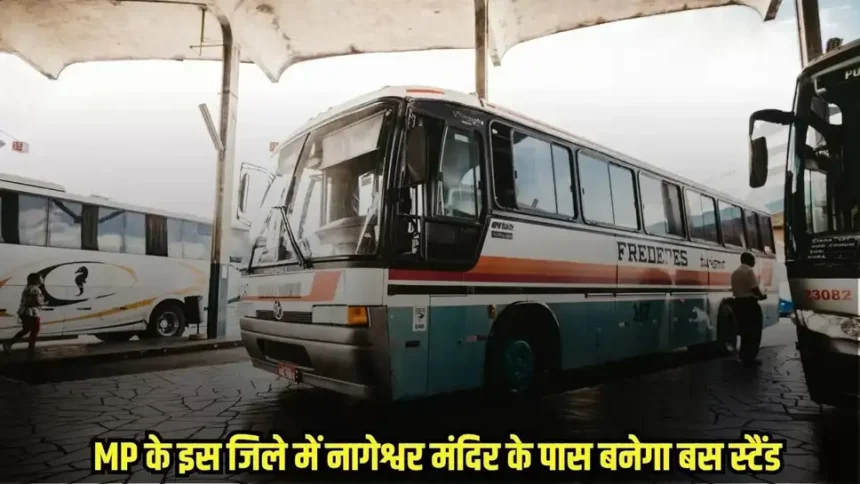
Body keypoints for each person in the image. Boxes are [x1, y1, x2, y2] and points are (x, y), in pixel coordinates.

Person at [730, 252, 767, 367]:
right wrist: (762, 296)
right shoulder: (749, 271)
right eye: (753, 260)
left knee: (744, 332)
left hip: (738, 304)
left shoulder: (735, 272)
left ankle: (743, 356)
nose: (754, 262)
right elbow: (754, 288)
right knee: (754, 332)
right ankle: (750, 358)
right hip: (750, 304)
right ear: (749, 260)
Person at [3, 273, 46, 356]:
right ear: (36, 280)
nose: (42, 279)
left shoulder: (28, 288)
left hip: (23, 312)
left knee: (26, 329)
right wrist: (42, 303)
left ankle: (9, 344)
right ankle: (30, 349)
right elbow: (34, 301)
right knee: (35, 330)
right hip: (31, 312)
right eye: (41, 277)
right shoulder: (35, 289)